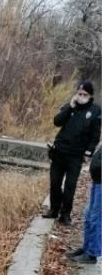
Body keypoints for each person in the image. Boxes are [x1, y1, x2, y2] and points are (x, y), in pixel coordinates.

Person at [44, 81, 101, 226]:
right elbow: (57, 122)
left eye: (84, 94)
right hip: (59, 151)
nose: (81, 96)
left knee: (70, 185)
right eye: (79, 93)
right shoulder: (70, 107)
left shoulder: (95, 111)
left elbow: (95, 135)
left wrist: (88, 152)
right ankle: (54, 209)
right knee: (55, 183)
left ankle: (65, 214)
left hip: (76, 155)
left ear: (90, 96)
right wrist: (70, 107)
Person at [67, 144, 101, 266]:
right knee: (89, 216)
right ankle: (87, 248)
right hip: (98, 181)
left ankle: (92, 254)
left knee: (96, 218)